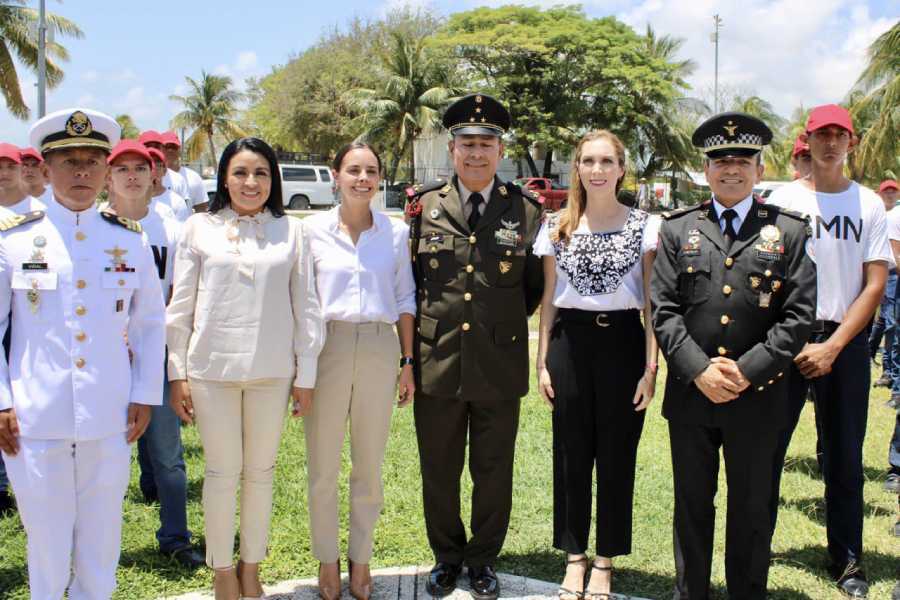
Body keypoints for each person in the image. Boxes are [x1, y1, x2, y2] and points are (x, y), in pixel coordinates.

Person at [0, 108, 166, 598]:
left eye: (92, 162)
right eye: (67, 161)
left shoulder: (126, 240)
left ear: (106, 170)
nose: (80, 173)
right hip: (35, 416)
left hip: (109, 414)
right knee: (47, 548)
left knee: (100, 544)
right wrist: (1, 401)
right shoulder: (14, 239)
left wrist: (143, 393)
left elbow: (150, 324)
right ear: (45, 169)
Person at [652, 112, 816, 600]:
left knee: (751, 507)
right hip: (691, 395)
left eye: (742, 160)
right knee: (692, 506)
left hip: (758, 398)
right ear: (707, 170)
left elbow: (798, 317)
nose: (731, 169)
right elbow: (662, 310)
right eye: (721, 161)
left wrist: (745, 371)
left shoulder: (788, 231)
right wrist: (700, 370)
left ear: (759, 170)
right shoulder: (679, 229)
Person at [167, 136, 325, 600]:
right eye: (240, 172)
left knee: (260, 472)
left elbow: (307, 306)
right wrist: (177, 373)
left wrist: (306, 375)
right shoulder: (198, 228)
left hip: (272, 371)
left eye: (260, 173)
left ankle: (250, 565)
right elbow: (180, 307)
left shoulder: (292, 231)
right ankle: (221, 570)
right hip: (211, 370)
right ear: (223, 177)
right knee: (221, 473)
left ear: (273, 178)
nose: (250, 182)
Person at [405, 92, 544, 600]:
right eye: (467, 143)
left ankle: (483, 560)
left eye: (486, 143)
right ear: (452, 147)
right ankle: (446, 557)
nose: (477, 153)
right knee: (438, 468)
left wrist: (495, 322)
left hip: (498, 362)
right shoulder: (424, 206)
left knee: (493, 471)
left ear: (500, 149)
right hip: (437, 361)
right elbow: (414, 280)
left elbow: (532, 287)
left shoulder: (524, 211)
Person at [767, 104, 891, 599]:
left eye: (840, 135)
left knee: (844, 456)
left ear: (852, 143)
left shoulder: (868, 205)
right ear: (808, 140)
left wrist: (835, 346)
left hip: (846, 342)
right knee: (766, 452)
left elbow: (875, 285)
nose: (831, 143)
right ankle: (755, 546)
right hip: (785, 339)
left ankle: (848, 559)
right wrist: (790, 340)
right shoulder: (781, 198)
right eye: (822, 135)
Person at [534, 130, 658, 600]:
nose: (598, 170)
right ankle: (574, 556)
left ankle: (605, 559)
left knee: (616, 453)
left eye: (607, 161)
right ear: (578, 168)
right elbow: (547, 300)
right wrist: (542, 362)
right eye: (589, 161)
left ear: (622, 168)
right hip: (570, 344)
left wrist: (650, 368)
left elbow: (652, 303)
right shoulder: (555, 226)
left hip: (624, 344)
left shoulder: (646, 225)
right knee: (570, 453)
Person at [303, 142, 416, 600]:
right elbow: (302, 300)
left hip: (377, 347)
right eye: (353, 170)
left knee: (368, 465)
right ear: (335, 175)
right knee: (323, 466)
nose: (362, 179)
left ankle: (361, 558)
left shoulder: (395, 233)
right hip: (325, 346)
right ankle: (328, 562)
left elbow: (406, 299)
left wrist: (407, 362)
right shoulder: (310, 231)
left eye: (371, 170)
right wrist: (302, 370)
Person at [104, 139, 204, 569]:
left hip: (158, 350)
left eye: (140, 168)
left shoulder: (172, 228)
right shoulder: (92, 226)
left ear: (154, 176)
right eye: (121, 168)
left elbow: (184, 291)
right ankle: (95, 542)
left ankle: (175, 536)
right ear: (108, 177)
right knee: (101, 456)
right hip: (105, 355)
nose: (131, 175)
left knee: (167, 455)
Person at [870, 179, 898, 387]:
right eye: (886, 192)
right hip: (890, 276)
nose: (890, 195)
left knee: (885, 323)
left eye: (893, 192)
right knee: (889, 325)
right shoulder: (889, 218)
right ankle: (890, 373)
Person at [161, 131, 209, 212]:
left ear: (179, 150)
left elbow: (202, 209)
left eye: (174, 147)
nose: (170, 150)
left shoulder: (193, 177)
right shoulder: (152, 177)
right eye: (166, 147)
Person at [139, 129, 192, 201]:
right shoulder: (131, 179)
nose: (152, 149)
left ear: (163, 149)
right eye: (147, 146)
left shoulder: (178, 179)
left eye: (156, 146)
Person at [147, 147, 193, 222]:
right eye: (148, 164)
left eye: (157, 164)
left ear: (165, 170)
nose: (153, 168)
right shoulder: (130, 200)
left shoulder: (177, 202)